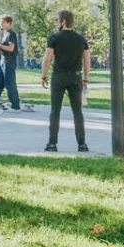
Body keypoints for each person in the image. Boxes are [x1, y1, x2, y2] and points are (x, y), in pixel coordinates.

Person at [41, 10, 90, 152]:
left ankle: (52, 144)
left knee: (55, 111)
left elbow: (47, 59)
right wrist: (86, 79)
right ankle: (82, 144)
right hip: (76, 77)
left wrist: (43, 76)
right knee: (78, 112)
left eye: (57, 20)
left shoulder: (54, 38)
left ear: (63, 21)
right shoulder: (81, 39)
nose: (56, 22)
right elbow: (87, 62)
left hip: (59, 77)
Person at [0, 15, 26, 111]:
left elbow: (11, 49)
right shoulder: (4, 34)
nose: (1, 24)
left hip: (9, 61)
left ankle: (15, 106)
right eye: (0, 22)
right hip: (2, 61)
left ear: (8, 23)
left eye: (2, 22)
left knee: (10, 84)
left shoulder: (11, 34)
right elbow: (2, 47)